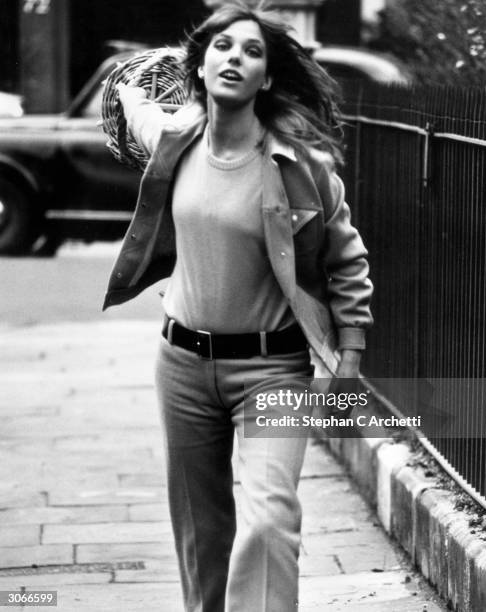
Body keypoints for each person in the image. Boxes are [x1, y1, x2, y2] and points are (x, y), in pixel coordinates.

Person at [103, 3, 373, 610]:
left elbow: (347, 260)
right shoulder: (174, 142)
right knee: (202, 532)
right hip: (182, 367)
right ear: (200, 67)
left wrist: (349, 358)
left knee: (270, 521)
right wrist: (124, 89)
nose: (235, 59)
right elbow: (141, 110)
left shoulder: (304, 168)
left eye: (253, 52)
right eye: (223, 47)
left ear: (268, 79)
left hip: (274, 369)